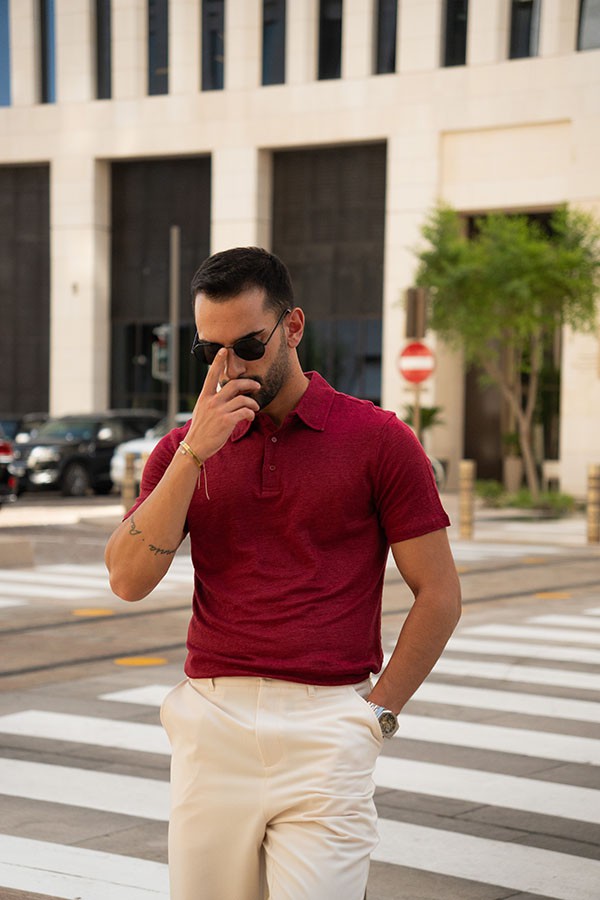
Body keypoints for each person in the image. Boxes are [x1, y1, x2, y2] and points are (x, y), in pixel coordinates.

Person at [105, 246, 461, 900]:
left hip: (328, 730)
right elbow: (127, 580)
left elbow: (439, 594)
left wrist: (375, 717)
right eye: (208, 350)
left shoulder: (378, 439)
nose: (227, 366)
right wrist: (194, 453)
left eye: (246, 343)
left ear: (292, 328)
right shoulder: (182, 448)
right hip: (213, 727)